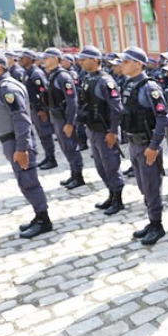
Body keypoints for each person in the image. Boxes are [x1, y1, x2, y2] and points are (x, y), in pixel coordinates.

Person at [0, 50, 52, 239]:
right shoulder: (1, 85)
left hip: (16, 141)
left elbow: (21, 120)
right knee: (23, 181)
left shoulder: (8, 88)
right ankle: (38, 214)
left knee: (29, 182)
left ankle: (44, 219)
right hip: (10, 140)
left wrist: (22, 148)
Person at [119, 46, 168, 245]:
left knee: (151, 186)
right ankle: (152, 220)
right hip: (134, 144)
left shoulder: (150, 87)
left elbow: (163, 119)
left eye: (126, 61)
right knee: (142, 185)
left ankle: (157, 225)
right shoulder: (128, 84)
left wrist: (154, 145)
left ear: (138, 64)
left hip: (146, 145)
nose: (122, 65)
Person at [76, 45, 127, 215]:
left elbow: (116, 109)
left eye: (84, 59)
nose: (81, 62)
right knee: (100, 166)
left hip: (105, 132)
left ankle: (118, 199)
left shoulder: (106, 81)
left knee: (111, 165)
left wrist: (113, 132)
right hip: (93, 129)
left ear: (95, 60)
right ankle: (111, 194)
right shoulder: (87, 78)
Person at [40, 48, 85, 189]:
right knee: (65, 147)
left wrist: (70, 123)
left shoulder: (63, 77)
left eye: (47, 58)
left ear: (55, 58)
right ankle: (73, 173)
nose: (44, 61)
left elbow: (72, 101)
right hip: (56, 117)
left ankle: (78, 176)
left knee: (71, 146)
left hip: (64, 118)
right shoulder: (52, 75)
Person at [18, 49, 57, 170]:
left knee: (45, 134)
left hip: (39, 109)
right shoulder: (27, 72)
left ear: (31, 58)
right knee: (41, 134)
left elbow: (44, 93)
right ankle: (47, 156)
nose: (21, 59)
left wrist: (43, 109)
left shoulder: (36, 73)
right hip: (33, 108)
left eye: (24, 57)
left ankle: (51, 158)